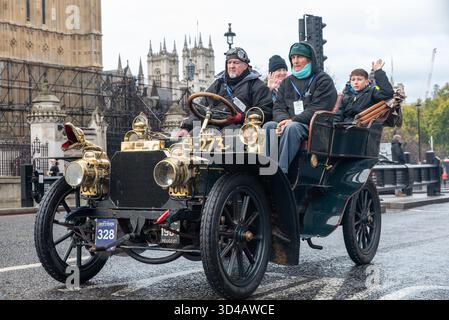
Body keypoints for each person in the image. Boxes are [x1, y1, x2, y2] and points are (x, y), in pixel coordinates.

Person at [263, 42, 338, 174]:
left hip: (313, 126)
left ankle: (280, 173)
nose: (295, 61)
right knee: (269, 126)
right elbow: (278, 106)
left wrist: (293, 121)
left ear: (309, 59)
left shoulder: (323, 80)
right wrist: (282, 121)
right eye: (293, 58)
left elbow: (319, 107)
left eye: (299, 57)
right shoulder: (287, 82)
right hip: (289, 122)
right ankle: (266, 169)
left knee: (292, 128)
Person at [176, 47, 273, 137]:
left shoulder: (256, 85)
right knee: (195, 134)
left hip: (240, 126)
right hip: (213, 123)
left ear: (245, 66)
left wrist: (242, 117)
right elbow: (201, 108)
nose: (232, 66)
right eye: (229, 62)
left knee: (228, 134)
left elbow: (265, 111)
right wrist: (186, 127)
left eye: (236, 62)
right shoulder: (218, 84)